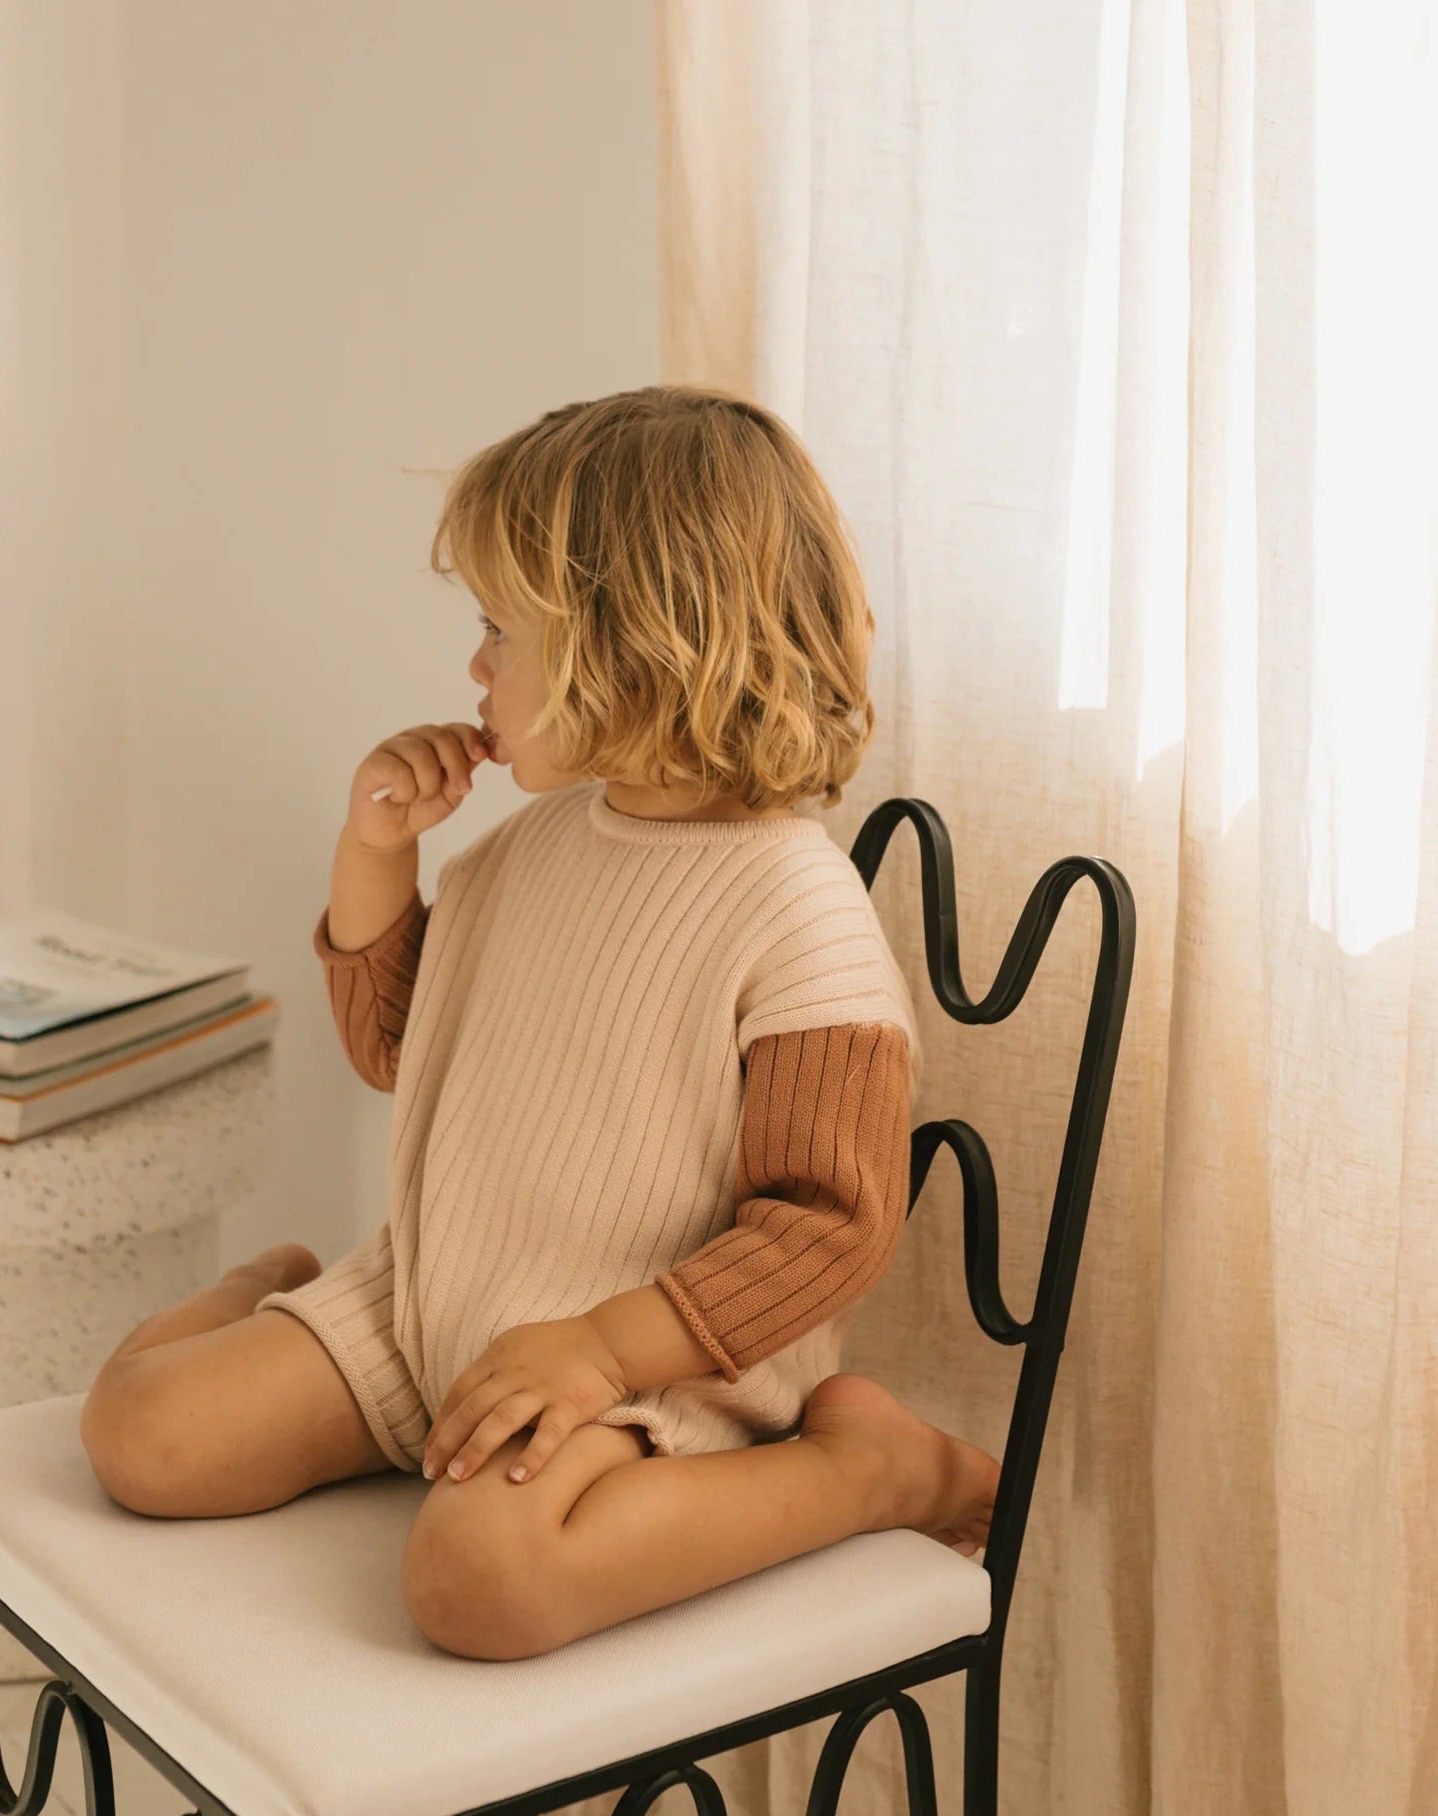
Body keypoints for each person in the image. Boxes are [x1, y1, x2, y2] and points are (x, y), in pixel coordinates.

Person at [78, 385, 999, 1661]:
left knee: (481, 1582)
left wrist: (602, 1350)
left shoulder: (795, 911)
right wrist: (374, 858)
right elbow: (397, 1051)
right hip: (434, 1313)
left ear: (636, 642)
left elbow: (828, 1226)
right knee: (139, 1433)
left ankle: (871, 1469)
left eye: (501, 630)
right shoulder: (528, 850)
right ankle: (272, 1280)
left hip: (644, 1370)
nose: (473, 668)